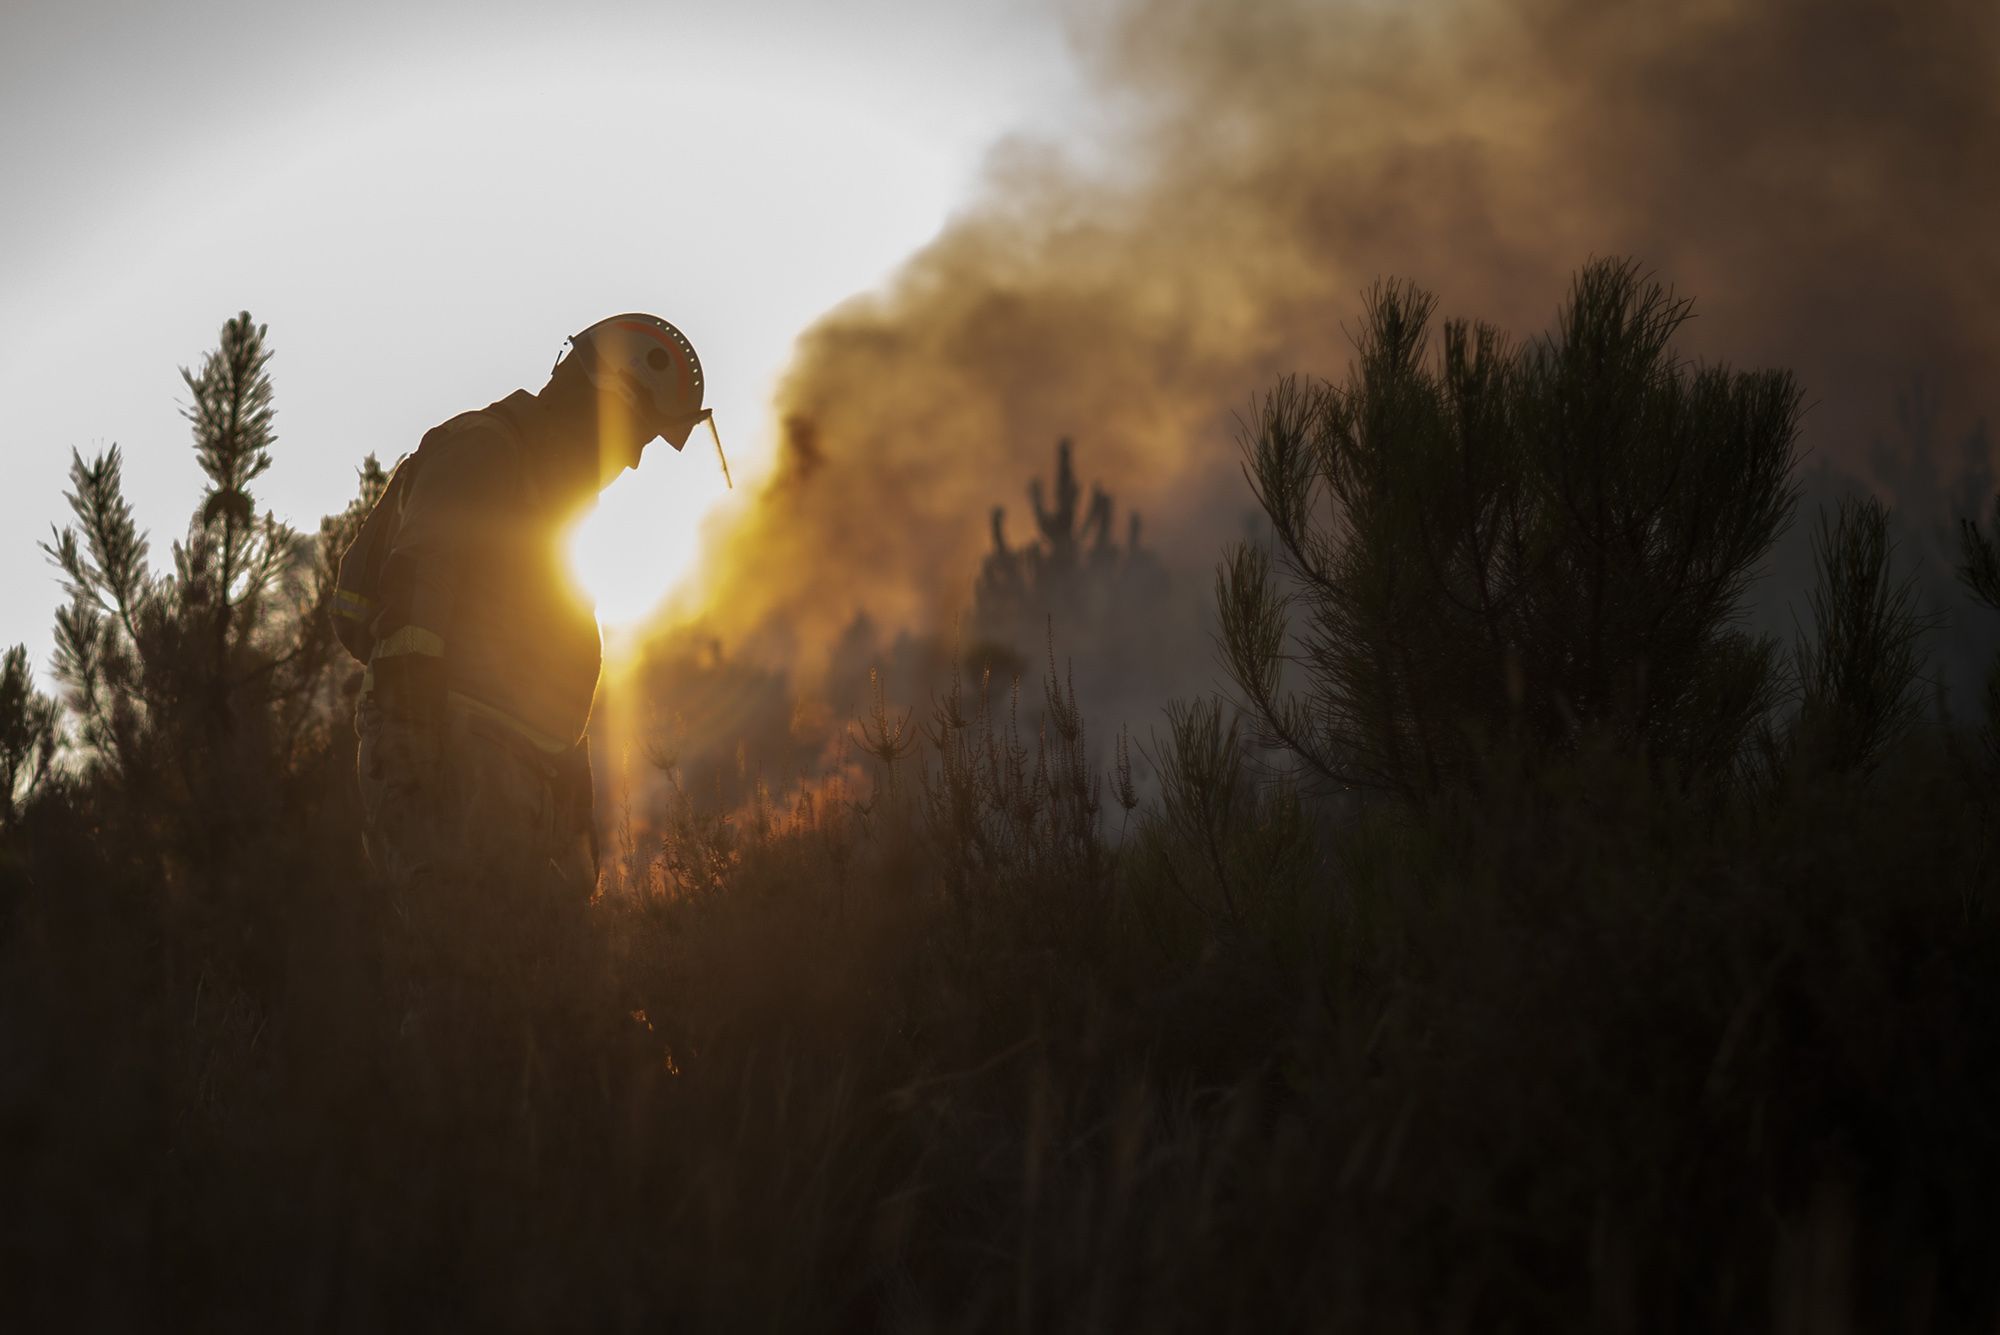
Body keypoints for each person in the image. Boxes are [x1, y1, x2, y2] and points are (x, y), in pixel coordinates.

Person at [336, 313, 712, 899]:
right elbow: (416, 594)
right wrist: (414, 755)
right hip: (450, 776)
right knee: (467, 970)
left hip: (508, 785)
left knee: (532, 979)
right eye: (635, 436)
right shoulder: (484, 452)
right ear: (598, 402)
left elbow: (539, 667)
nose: (632, 462)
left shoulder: (548, 500)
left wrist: (569, 803)